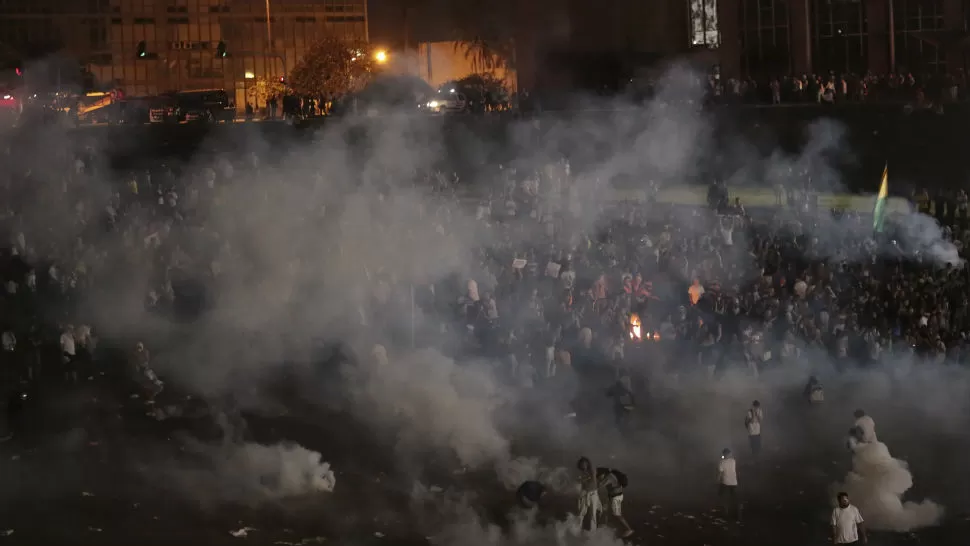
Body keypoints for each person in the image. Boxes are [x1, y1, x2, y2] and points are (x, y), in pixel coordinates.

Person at [596, 467, 634, 537]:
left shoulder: (609, 477)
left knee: (617, 514)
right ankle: (604, 524)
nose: (598, 478)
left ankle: (628, 529)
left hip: (616, 497)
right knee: (605, 509)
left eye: (598, 476)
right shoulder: (609, 476)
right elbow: (609, 489)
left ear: (603, 474)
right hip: (612, 496)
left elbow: (599, 485)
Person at [576, 456, 601, 530]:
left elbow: (594, 483)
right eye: (581, 464)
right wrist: (580, 495)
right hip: (584, 494)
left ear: (587, 463)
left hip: (593, 493)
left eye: (584, 463)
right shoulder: (582, 473)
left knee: (593, 514)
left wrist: (585, 491)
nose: (583, 465)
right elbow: (582, 485)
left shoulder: (592, 470)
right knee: (581, 513)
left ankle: (593, 533)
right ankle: (577, 529)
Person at [717, 448, 739, 520]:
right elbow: (730, 458)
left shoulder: (722, 462)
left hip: (725, 482)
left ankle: (725, 513)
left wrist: (718, 480)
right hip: (734, 482)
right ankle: (737, 513)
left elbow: (720, 473)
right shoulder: (733, 461)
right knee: (734, 498)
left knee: (723, 497)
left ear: (723, 454)